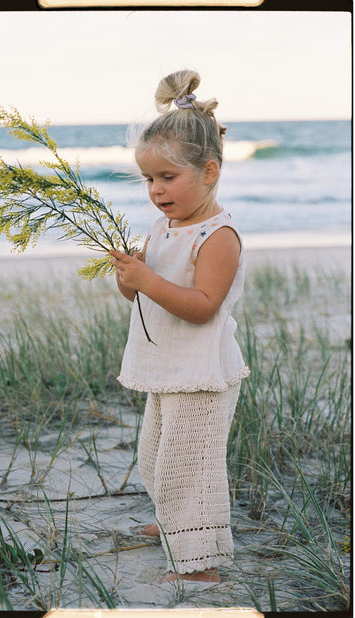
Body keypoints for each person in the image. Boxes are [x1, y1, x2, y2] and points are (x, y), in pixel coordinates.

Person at [110, 69, 250, 584]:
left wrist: (148, 279)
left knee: (188, 468)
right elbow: (136, 295)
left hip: (202, 371)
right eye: (149, 179)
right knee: (155, 455)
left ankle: (200, 566)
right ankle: (174, 522)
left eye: (168, 178)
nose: (155, 190)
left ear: (209, 172)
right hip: (168, 367)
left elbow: (202, 306)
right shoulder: (162, 226)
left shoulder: (218, 236)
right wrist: (129, 276)